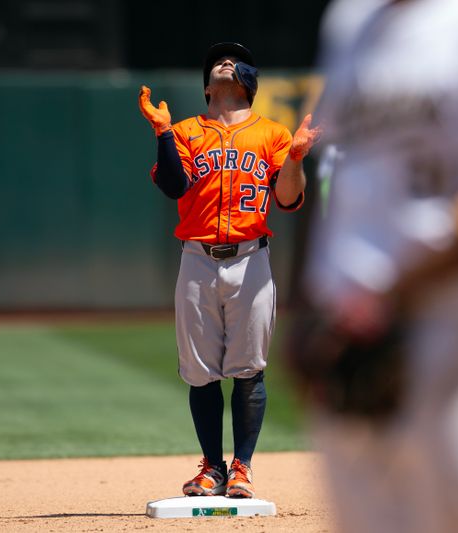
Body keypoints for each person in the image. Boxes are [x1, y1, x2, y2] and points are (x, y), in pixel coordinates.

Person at [295, 0, 458, 531]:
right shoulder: (349, 21)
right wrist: (308, 307)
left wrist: (390, 295)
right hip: (346, 337)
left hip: (445, 325)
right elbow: (341, 177)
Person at [138, 42, 319, 499]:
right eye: (216, 60)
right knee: (199, 372)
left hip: (251, 257)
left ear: (248, 82)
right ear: (206, 86)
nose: (224, 61)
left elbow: (288, 199)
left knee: (248, 368)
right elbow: (173, 185)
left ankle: (242, 468)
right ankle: (211, 468)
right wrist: (162, 133)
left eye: (233, 59)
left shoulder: (272, 134)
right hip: (197, 258)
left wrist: (295, 158)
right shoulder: (182, 131)